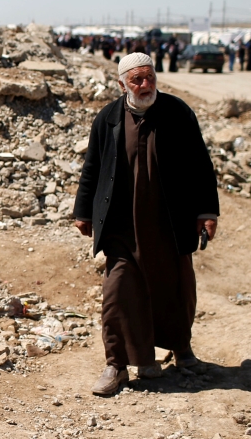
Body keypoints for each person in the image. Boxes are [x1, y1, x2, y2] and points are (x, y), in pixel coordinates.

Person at [74, 53, 220, 396]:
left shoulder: (177, 112)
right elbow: (92, 167)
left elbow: (201, 165)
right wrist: (83, 212)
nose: (145, 85)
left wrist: (206, 212)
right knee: (118, 294)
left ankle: (181, 350)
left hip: (171, 221)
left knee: (177, 288)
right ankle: (117, 366)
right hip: (123, 226)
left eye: (149, 77)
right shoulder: (108, 117)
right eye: (137, 80)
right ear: (122, 84)